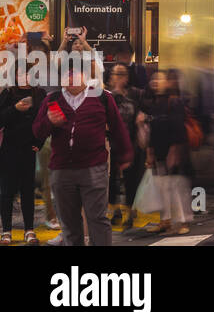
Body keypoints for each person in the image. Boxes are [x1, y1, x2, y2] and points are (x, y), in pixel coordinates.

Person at [32, 41, 132, 246]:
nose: (69, 77)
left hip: (93, 167)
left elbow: (118, 128)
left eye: (74, 73)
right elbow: (37, 132)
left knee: (97, 219)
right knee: (69, 224)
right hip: (61, 170)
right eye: (66, 73)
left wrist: (125, 156)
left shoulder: (102, 98)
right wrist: (49, 122)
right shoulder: (53, 99)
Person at [0, 56, 46, 245]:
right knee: (7, 191)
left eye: (26, 73)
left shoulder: (40, 94)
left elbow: (45, 121)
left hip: (30, 148)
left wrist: (40, 142)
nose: (23, 77)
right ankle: (6, 230)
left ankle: (29, 230)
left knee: (28, 190)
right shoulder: (8, 94)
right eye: (19, 73)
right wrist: (15, 109)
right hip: (9, 148)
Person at [142, 69, 193, 236]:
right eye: (154, 79)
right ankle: (165, 221)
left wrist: (174, 152)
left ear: (168, 83)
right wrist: (149, 152)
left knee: (175, 187)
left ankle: (183, 221)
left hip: (174, 150)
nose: (155, 82)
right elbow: (152, 131)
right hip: (158, 150)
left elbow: (178, 130)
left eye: (160, 79)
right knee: (162, 187)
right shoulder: (153, 103)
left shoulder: (174, 102)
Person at [105, 62, 143, 229]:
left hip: (131, 142)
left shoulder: (136, 95)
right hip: (111, 144)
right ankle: (114, 211)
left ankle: (129, 212)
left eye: (123, 74)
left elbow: (145, 113)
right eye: (116, 74)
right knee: (111, 178)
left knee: (130, 179)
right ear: (110, 77)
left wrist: (142, 118)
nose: (119, 77)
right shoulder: (106, 95)